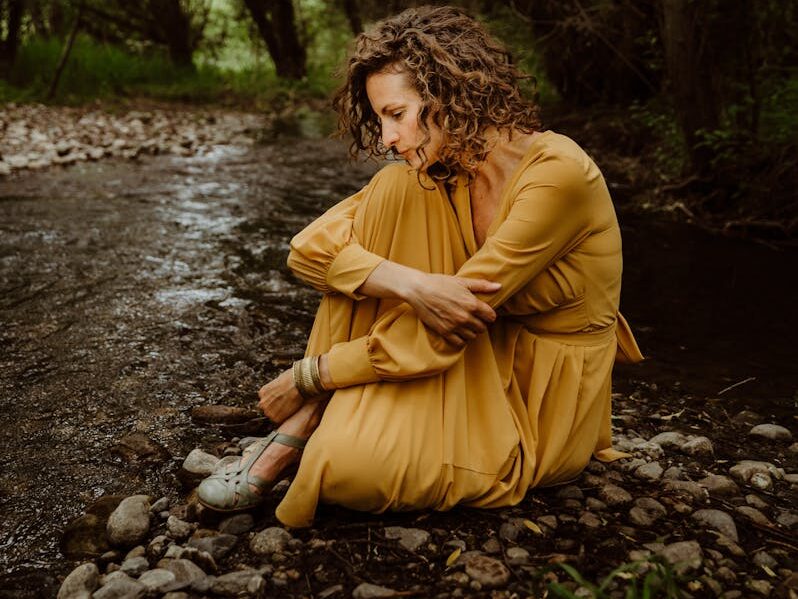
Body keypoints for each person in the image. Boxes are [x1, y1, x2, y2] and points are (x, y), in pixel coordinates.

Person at [197, 5, 643, 526]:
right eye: (381, 118)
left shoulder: (558, 175)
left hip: (535, 390)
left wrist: (311, 376)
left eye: (396, 114)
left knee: (342, 472)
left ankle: (312, 414)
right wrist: (408, 283)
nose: (387, 137)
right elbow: (308, 251)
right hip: (465, 351)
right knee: (394, 186)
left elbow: (452, 322)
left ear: (452, 95)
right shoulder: (445, 169)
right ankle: (300, 428)